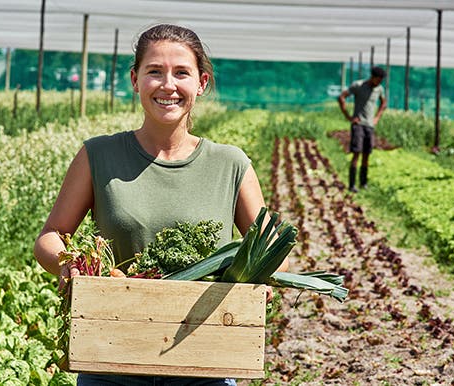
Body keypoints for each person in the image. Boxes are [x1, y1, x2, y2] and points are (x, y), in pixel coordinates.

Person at [33, 24, 288, 386]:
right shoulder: (98, 155)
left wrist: (258, 277)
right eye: (155, 71)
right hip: (110, 355)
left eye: (181, 73)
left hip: (205, 360)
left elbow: (274, 250)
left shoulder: (230, 164)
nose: (168, 85)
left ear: (200, 83)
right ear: (136, 80)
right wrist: (68, 263)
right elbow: (51, 236)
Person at [337, 66, 387, 192]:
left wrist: (377, 118)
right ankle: (352, 184)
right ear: (372, 77)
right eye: (378, 80)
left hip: (369, 126)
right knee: (356, 153)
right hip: (358, 124)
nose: (379, 83)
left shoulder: (379, 89)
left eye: (381, 81)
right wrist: (348, 116)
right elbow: (342, 97)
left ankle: (363, 183)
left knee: (367, 154)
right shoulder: (358, 85)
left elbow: (383, 103)